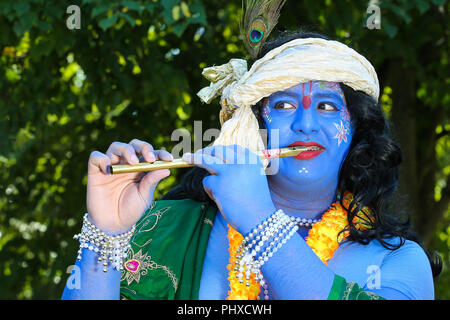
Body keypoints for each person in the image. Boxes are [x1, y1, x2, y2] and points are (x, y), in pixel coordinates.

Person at [61, 19, 441, 300]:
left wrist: (261, 222)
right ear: (251, 124)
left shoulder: (399, 260)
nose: (306, 123)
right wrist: (106, 235)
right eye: (284, 105)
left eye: (327, 107)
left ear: (357, 132)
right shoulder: (161, 227)